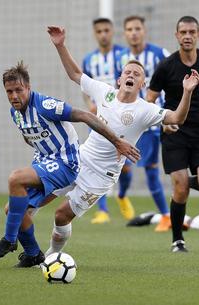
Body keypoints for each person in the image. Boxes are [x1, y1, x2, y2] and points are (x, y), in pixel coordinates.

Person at [44, 25, 199, 257]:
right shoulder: (103, 92)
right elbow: (76, 74)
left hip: (101, 176)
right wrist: (60, 45)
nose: (131, 75)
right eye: (127, 72)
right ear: (119, 79)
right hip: (80, 159)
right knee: (37, 196)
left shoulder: (146, 109)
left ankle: (50, 256)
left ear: (142, 85)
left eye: (137, 75)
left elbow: (177, 117)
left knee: (61, 215)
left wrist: (187, 92)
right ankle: (25, 247)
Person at [0, 61, 139, 267]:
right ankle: (33, 254)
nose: (14, 96)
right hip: (46, 162)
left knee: (15, 178)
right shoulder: (16, 113)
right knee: (11, 209)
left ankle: (9, 240)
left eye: (18, 90)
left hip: (66, 163)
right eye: (9, 91)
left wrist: (117, 142)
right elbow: (30, 135)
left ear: (28, 88)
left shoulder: (45, 105)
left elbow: (85, 115)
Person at [147, 16, 199, 252]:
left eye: (192, 32)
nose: (188, 36)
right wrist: (163, 121)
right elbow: (150, 99)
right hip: (175, 134)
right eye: (183, 32)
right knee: (180, 191)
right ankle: (177, 240)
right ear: (177, 35)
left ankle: (181, 182)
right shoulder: (166, 66)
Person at [116, 15, 172, 232]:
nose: (134, 32)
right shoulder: (120, 57)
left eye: (137, 28)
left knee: (150, 169)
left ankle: (166, 216)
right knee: (122, 168)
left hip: (150, 120)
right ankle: (121, 195)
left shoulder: (159, 54)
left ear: (144, 31)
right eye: (129, 29)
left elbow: (174, 76)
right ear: (125, 33)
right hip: (124, 120)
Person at [82, 17, 125, 224]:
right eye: (99, 31)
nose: (103, 34)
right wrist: (90, 104)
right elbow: (85, 85)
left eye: (106, 30)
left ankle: (122, 195)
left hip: (121, 117)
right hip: (99, 118)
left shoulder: (122, 55)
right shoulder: (89, 59)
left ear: (112, 31)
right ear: (95, 33)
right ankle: (102, 210)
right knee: (96, 163)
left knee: (125, 165)